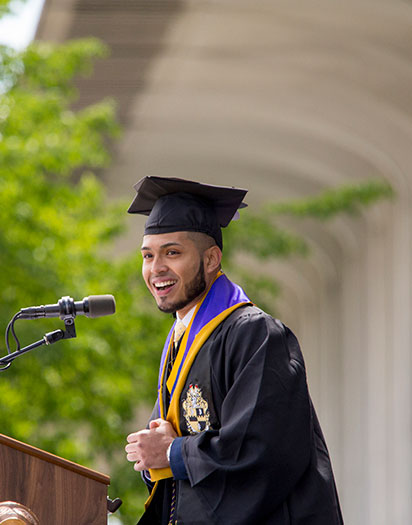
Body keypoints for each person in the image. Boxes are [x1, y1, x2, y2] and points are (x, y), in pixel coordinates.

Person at [124, 176, 343, 524]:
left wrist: (171, 451)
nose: (156, 269)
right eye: (148, 255)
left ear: (211, 259)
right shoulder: (181, 341)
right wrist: (154, 455)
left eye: (172, 253)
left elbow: (262, 450)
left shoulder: (255, 334)